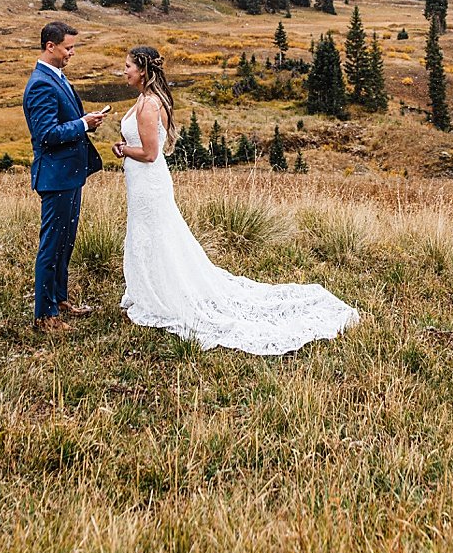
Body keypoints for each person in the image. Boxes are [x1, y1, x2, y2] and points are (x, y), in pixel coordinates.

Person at [111, 45, 358, 355]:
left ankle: (161, 294)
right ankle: (151, 289)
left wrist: (122, 150)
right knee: (151, 236)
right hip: (144, 183)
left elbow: (149, 153)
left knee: (155, 237)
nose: (125, 71)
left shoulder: (148, 104)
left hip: (148, 181)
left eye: (129, 66)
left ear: (144, 70)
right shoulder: (146, 99)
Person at [23, 21, 107, 332]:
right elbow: (46, 135)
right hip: (56, 177)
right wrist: (84, 124)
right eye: (68, 47)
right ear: (50, 46)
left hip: (70, 175)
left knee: (65, 243)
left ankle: (59, 299)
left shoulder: (57, 78)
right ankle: (45, 316)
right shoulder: (41, 84)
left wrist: (86, 121)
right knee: (52, 244)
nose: (72, 53)